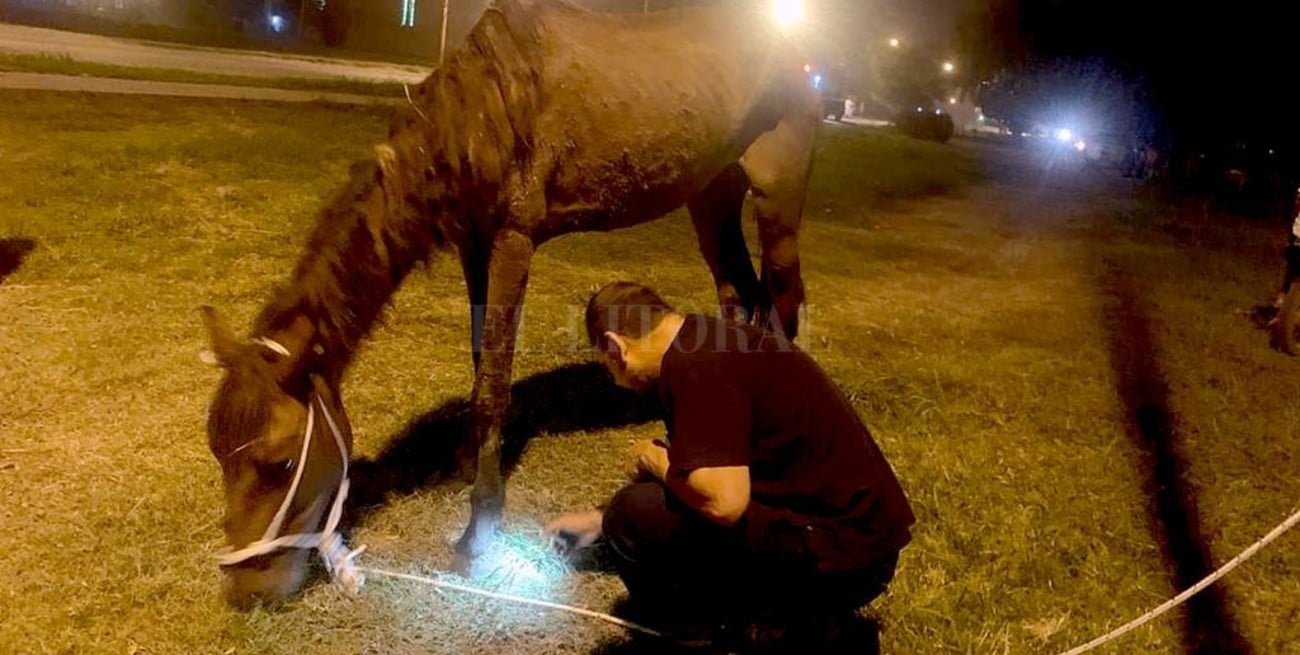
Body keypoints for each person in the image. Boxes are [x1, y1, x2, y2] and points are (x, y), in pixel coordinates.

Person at [544, 282, 915, 645]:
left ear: (615, 346)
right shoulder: (706, 340)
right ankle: (770, 609)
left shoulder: (698, 368)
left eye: (608, 367)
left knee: (634, 513)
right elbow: (704, 471)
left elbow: (724, 503)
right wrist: (596, 520)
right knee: (667, 487)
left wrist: (656, 460)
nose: (618, 381)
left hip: (845, 561)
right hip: (861, 539)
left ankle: (711, 627)